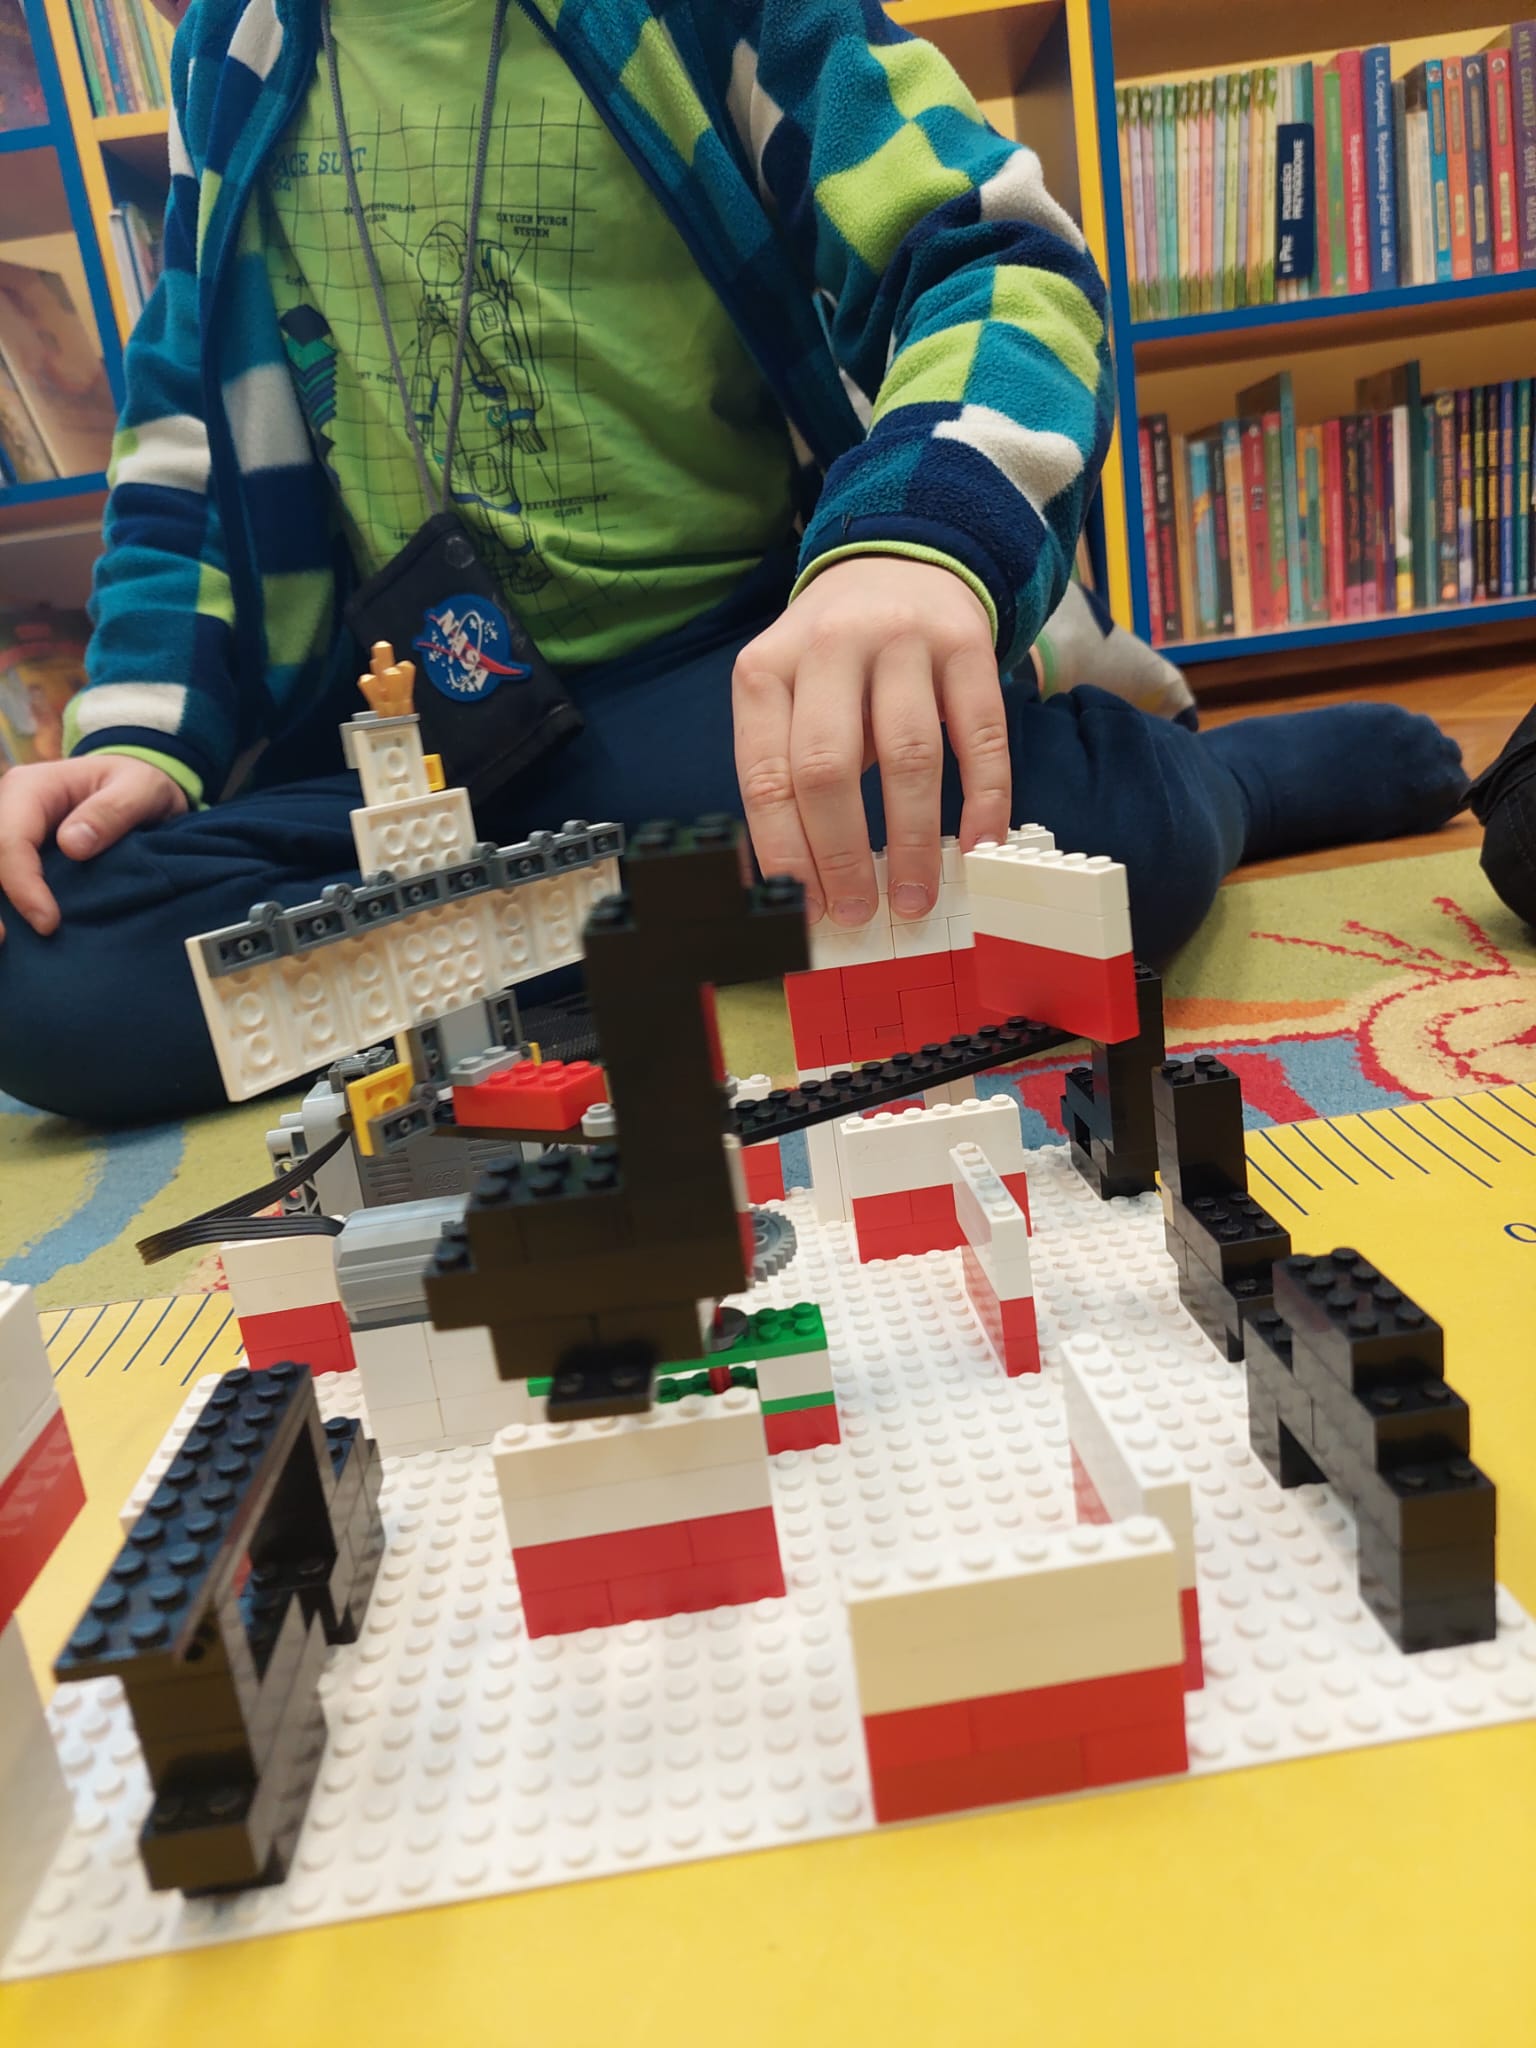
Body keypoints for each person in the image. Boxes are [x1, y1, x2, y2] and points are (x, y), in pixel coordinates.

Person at [0, 0, 1467, 1125]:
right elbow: (181, 438)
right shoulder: (226, 51)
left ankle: (1219, 781)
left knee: (1099, 853)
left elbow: (994, 255)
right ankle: (662, 909)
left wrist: (911, 548)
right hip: (422, 748)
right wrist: (136, 741)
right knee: (53, 979)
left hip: (734, 684)